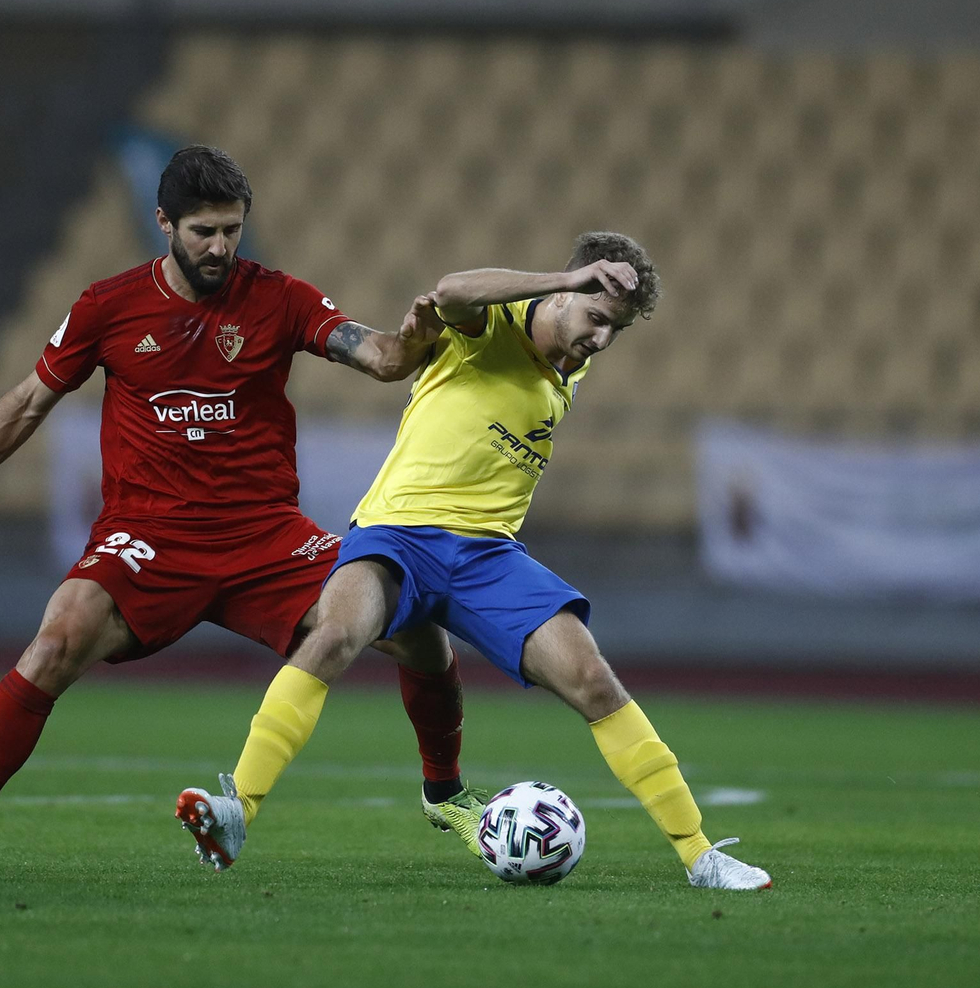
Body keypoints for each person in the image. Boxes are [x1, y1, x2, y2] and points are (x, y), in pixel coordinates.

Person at [0, 146, 485, 874]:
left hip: (266, 537)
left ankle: (445, 793)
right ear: (164, 223)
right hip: (148, 537)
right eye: (204, 231)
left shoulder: (281, 298)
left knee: (418, 630)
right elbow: (29, 402)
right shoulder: (107, 306)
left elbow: (383, 358)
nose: (220, 247)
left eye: (232, 230)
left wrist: (419, 333)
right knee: (57, 638)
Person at [176, 231, 773, 890]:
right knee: (335, 635)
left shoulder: (571, 361)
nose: (602, 338)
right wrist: (563, 279)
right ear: (565, 292)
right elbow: (451, 291)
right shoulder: (492, 326)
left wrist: (586, 306)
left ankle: (701, 856)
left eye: (617, 329)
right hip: (397, 534)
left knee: (594, 680)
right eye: (596, 317)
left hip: (487, 555)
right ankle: (238, 810)